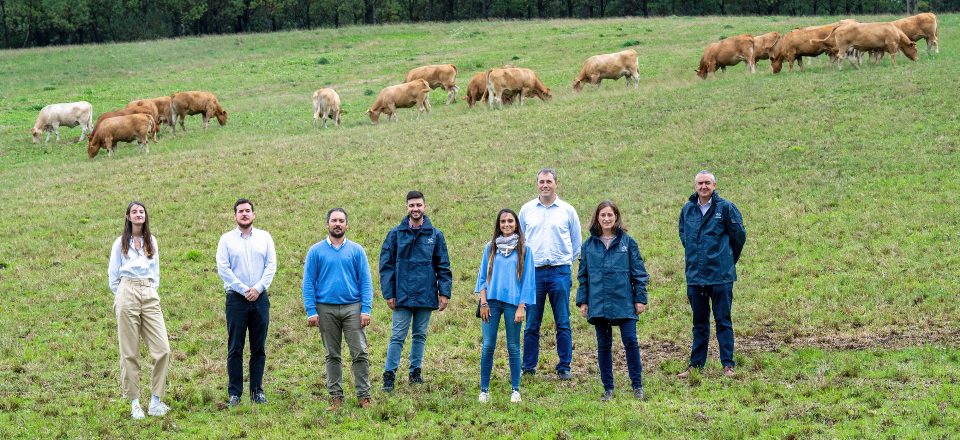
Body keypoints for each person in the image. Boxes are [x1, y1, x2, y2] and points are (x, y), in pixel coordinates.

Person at [379, 191, 452, 392]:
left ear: (424, 207)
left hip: (426, 294)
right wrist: (389, 293)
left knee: (419, 335)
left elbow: (443, 265)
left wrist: (444, 293)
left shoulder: (435, 235)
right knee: (397, 336)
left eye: (418, 205)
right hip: (401, 295)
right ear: (406, 208)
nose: (415, 209)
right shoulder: (395, 234)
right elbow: (386, 266)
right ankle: (389, 375)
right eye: (412, 205)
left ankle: (415, 372)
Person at [576, 201, 649, 401]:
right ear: (597, 218)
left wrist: (640, 299)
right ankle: (608, 388)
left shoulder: (628, 242)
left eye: (610, 215)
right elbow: (583, 276)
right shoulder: (589, 245)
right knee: (603, 345)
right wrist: (583, 301)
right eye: (603, 215)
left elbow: (639, 273)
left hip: (624, 301)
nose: (607, 219)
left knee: (630, 342)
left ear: (616, 217)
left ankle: (637, 386)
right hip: (598, 302)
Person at [302, 208, 374, 410]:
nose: (337, 224)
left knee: (359, 352)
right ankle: (336, 397)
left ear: (347, 225)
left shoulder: (357, 250)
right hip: (325, 309)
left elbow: (366, 282)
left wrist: (366, 309)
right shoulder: (315, 251)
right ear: (327, 224)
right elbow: (308, 282)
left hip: (353, 307)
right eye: (334, 220)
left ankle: (364, 396)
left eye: (341, 220)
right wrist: (311, 310)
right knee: (332, 354)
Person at [677, 171, 746, 379]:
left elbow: (739, 236)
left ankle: (728, 365)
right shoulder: (688, 210)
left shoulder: (726, 208)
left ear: (714, 185)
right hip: (695, 276)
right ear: (695, 186)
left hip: (720, 276)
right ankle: (696, 366)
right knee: (699, 323)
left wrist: (726, 259)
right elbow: (684, 238)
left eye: (707, 183)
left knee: (723, 320)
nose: (703, 187)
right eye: (700, 183)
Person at [108, 201, 171, 419]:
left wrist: (150, 291)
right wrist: (122, 295)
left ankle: (155, 401)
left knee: (163, 349)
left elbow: (156, 272)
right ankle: (135, 403)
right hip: (127, 291)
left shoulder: (151, 241)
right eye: (134, 212)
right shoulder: (120, 243)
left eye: (141, 212)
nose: (138, 214)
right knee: (129, 351)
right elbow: (113, 275)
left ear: (145, 216)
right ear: (127, 216)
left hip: (149, 291)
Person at [519, 168, 582, 380]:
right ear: (537, 184)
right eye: (541, 181)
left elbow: (576, 242)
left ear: (556, 184)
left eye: (549, 181)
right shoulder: (527, 210)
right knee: (531, 323)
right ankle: (528, 367)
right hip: (533, 274)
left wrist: (565, 262)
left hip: (559, 272)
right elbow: (520, 240)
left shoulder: (567, 210)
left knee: (562, 321)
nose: (545, 185)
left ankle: (564, 366)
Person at [216, 198, 277, 406]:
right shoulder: (226, 240)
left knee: (258, 348)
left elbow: (271, 265)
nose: (244, 214)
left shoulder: (265, 237)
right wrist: (244, 290)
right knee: (235, 347)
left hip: (260, 299)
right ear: (235, 216)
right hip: (236, 300)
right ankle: (235, 393)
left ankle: (257, 391)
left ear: (254, 215)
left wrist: (258, 288)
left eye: (248, 211)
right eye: (240, 211)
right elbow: (223, 268)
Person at [475, 209, 536, 403]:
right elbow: (482, 277)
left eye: (510, 221)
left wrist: (521, 307)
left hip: (513, 304)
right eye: (503, 221)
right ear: (498, 224)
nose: (506, 224)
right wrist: (483, 302)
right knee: (488, 346)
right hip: (491, 303)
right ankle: (484, 390)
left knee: (513, 346)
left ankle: (515, 389)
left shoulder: (524, 249)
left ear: (516, 224)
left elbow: (528, 281)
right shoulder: (490, 247)